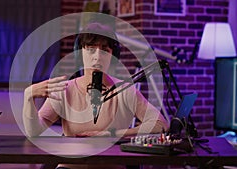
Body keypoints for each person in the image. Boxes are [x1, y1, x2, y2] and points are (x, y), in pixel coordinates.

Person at [23, 22, 169, 169]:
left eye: (105, 50)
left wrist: (113, 133)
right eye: (91, 49)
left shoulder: (125, 90)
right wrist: (29, 97)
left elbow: (161, 124)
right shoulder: (64, 89)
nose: (98, 57)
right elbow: (34, 132)